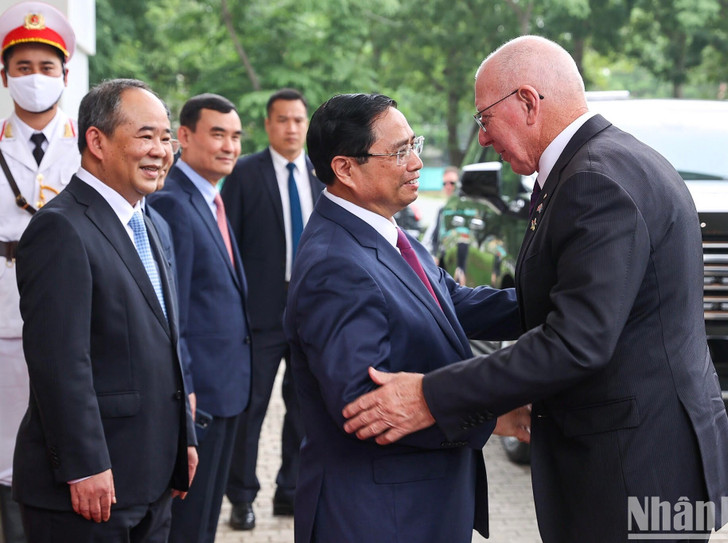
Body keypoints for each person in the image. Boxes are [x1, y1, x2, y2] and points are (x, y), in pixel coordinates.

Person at [343, 36, 728, 542]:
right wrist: (420, 295)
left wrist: (431, 394)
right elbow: (565, 300)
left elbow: (576, 340)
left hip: (634, 469)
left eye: (485, 119)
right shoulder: (612, 159)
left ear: (529, 102)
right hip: (643, 457)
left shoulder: (594, 181)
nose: (484, 139)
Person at [283, 92, 525, 543]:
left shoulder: (384, 230)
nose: (415, 163)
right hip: (378, 515)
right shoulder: (336, 264)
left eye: (414, 145)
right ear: (345, 169)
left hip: (415, 504)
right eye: (399, 152)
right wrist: (492, 415)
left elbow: (453, 304)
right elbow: (363, 408)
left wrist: (564, 305)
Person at [13, 78, 197, 542]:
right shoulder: (60, 228)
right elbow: (59, 363)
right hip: (92, 488)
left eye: (166, 137)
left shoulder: (148, 220)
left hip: (151, 480)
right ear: (96, 141)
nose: (161, 150)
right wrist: (84, 464)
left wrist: (185, 438)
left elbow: (167, 338)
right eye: (146, 136)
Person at [147, 93, 251, 543]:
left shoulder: (211, 199)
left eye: (236, 137)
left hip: (226, 389)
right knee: (187, 526)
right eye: (217, 134)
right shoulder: (174, 203)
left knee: (206, 520)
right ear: (184, 137)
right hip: (199, 397)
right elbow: (175, 314)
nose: (229, 146)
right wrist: (186, 391)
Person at [221, 88, 322, 527]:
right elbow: (229, 245)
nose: (292, 128)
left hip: (310, 313)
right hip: (259, 315)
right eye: (283, 120)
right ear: (268, 125)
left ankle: (291, 491)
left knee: (304, 407)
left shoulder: (323, 175)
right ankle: (241, 496)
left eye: (299, 120)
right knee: (251, 409)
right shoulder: (244, 173)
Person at [0, 3, 81, 541]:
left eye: (45, 68)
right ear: (5, 76)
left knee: (71, 431)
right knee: (6, 446)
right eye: (22, 67)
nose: (34, 79)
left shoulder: (91, 148)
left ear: (65, 75)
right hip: (3, 308)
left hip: (72, 305)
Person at [421, 165, 459, 261]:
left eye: (452, 183)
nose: (448, 187)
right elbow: (429, 240)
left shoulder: (468, 210)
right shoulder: (442, 210)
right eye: (444, 184)